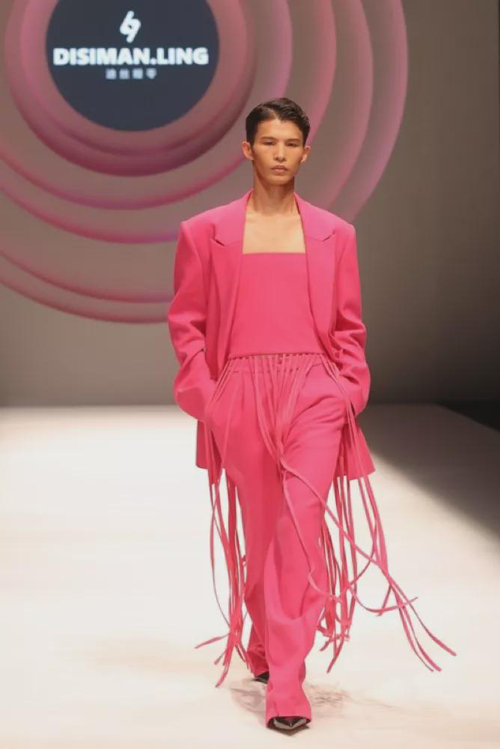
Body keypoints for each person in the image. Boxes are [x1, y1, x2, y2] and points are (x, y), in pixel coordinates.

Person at [167, 97, 456, 733]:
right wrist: (209, 397)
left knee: (299, 526)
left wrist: (348, 389)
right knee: (263, 531)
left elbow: (349, 324)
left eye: (290, 143)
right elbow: (187, 322)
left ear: (305, 152)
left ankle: (287, 681)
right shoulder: (204, 231)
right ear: (247, 150)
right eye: (268, 142)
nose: (279, 153)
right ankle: (266, 639)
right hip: (241, 393)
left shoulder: (334, 233)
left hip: (315, 394)